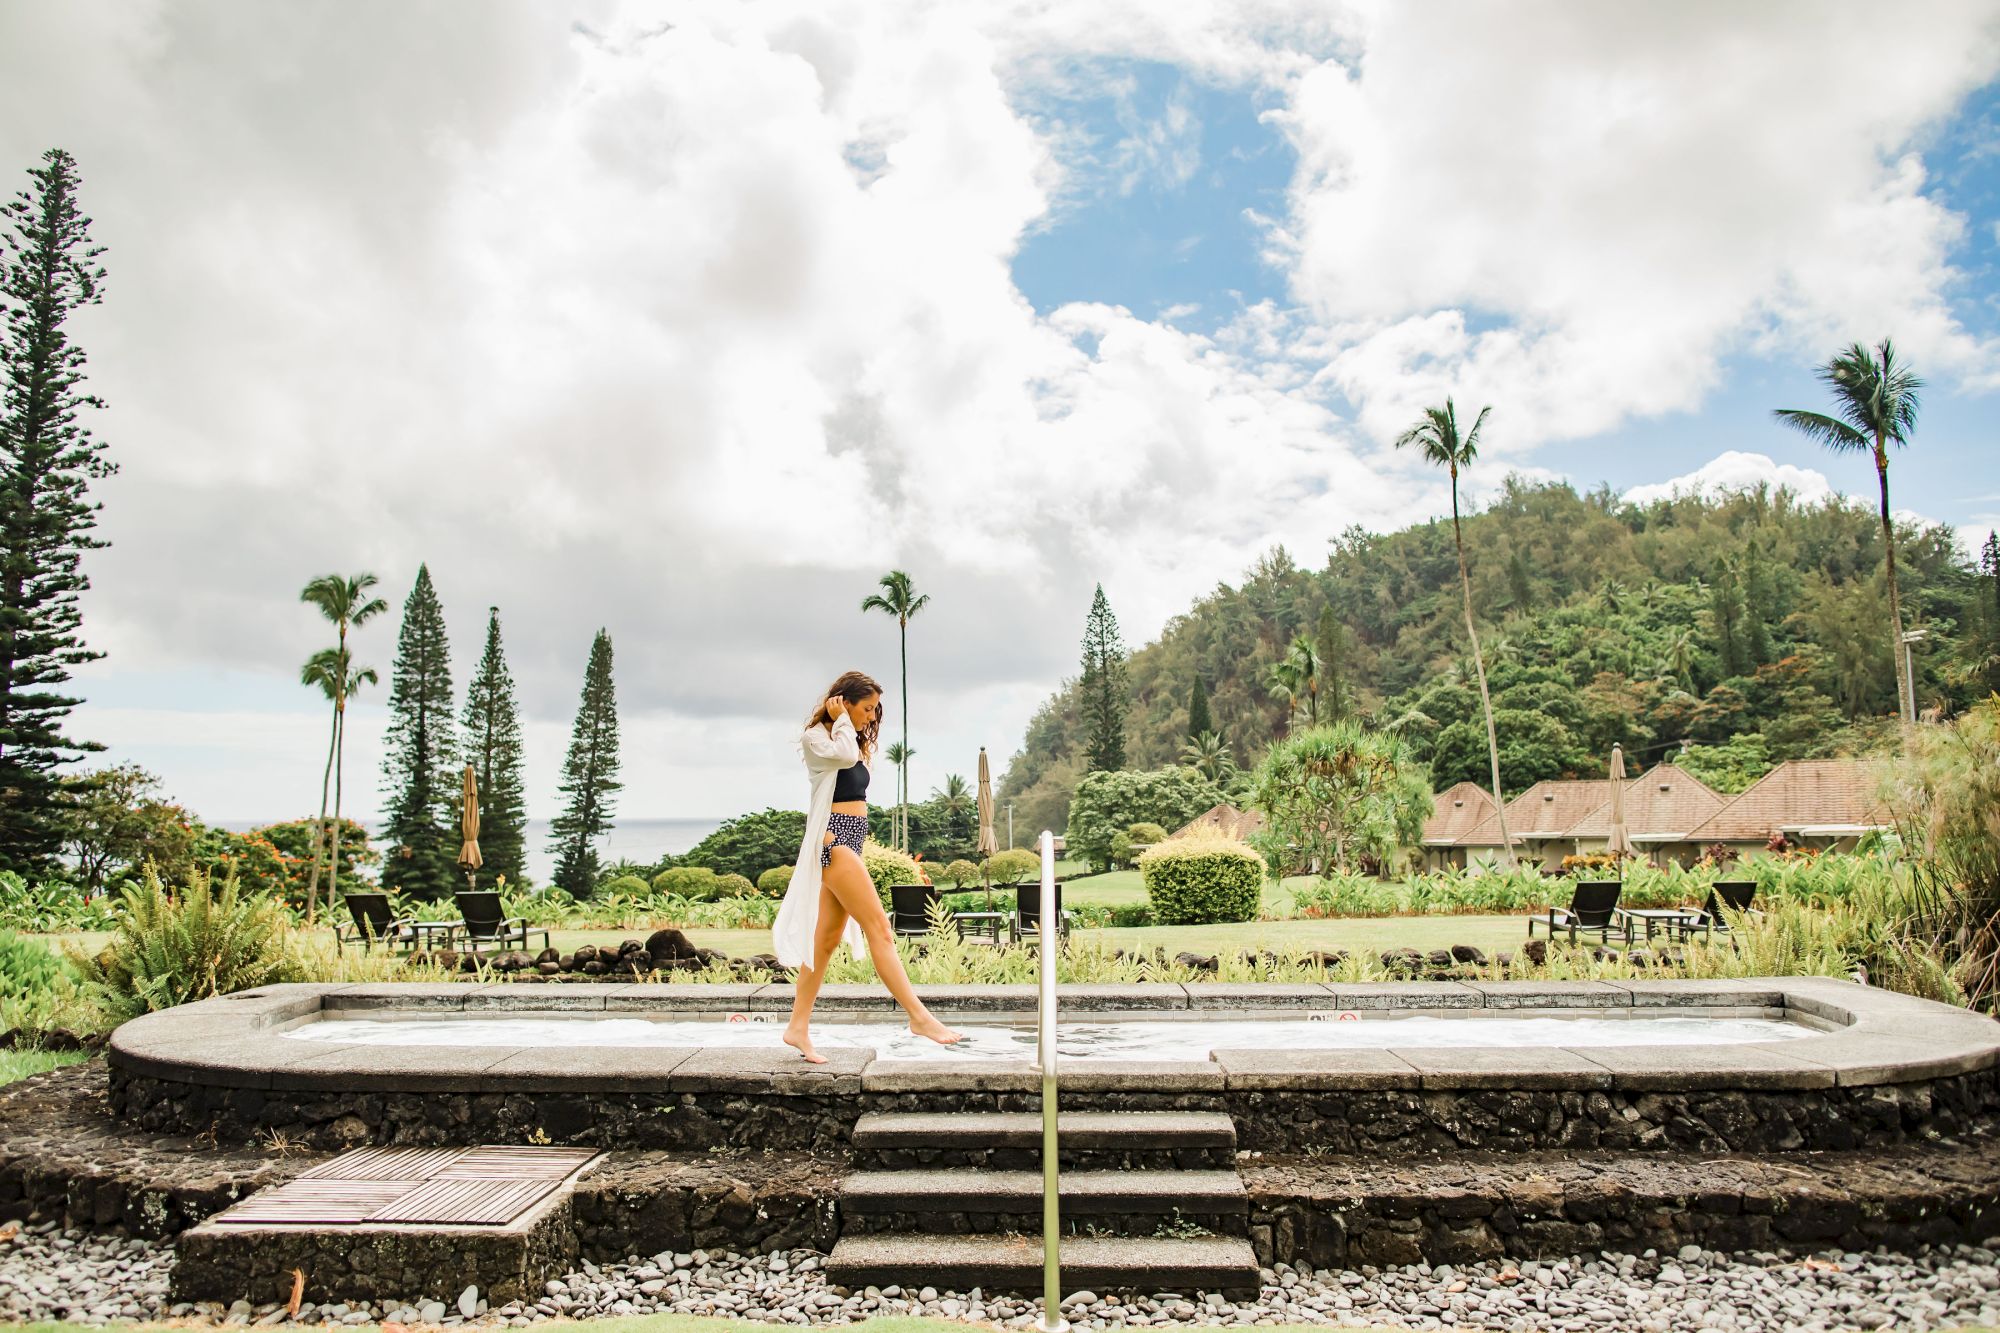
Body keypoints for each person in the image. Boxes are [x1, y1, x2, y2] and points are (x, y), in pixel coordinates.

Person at [774, 670, 963, 1062]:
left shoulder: (852, 740)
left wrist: (849, 723)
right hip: (834, 842)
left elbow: (851, 766)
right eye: (867, 708)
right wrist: (841, 719)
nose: (872, 717)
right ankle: (919, 1017)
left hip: (851, 842)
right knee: (880, 928)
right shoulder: (818, 738)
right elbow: (841, 757)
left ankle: (797, 1027)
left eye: (876, 710)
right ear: (842, 702)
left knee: (824, 944)